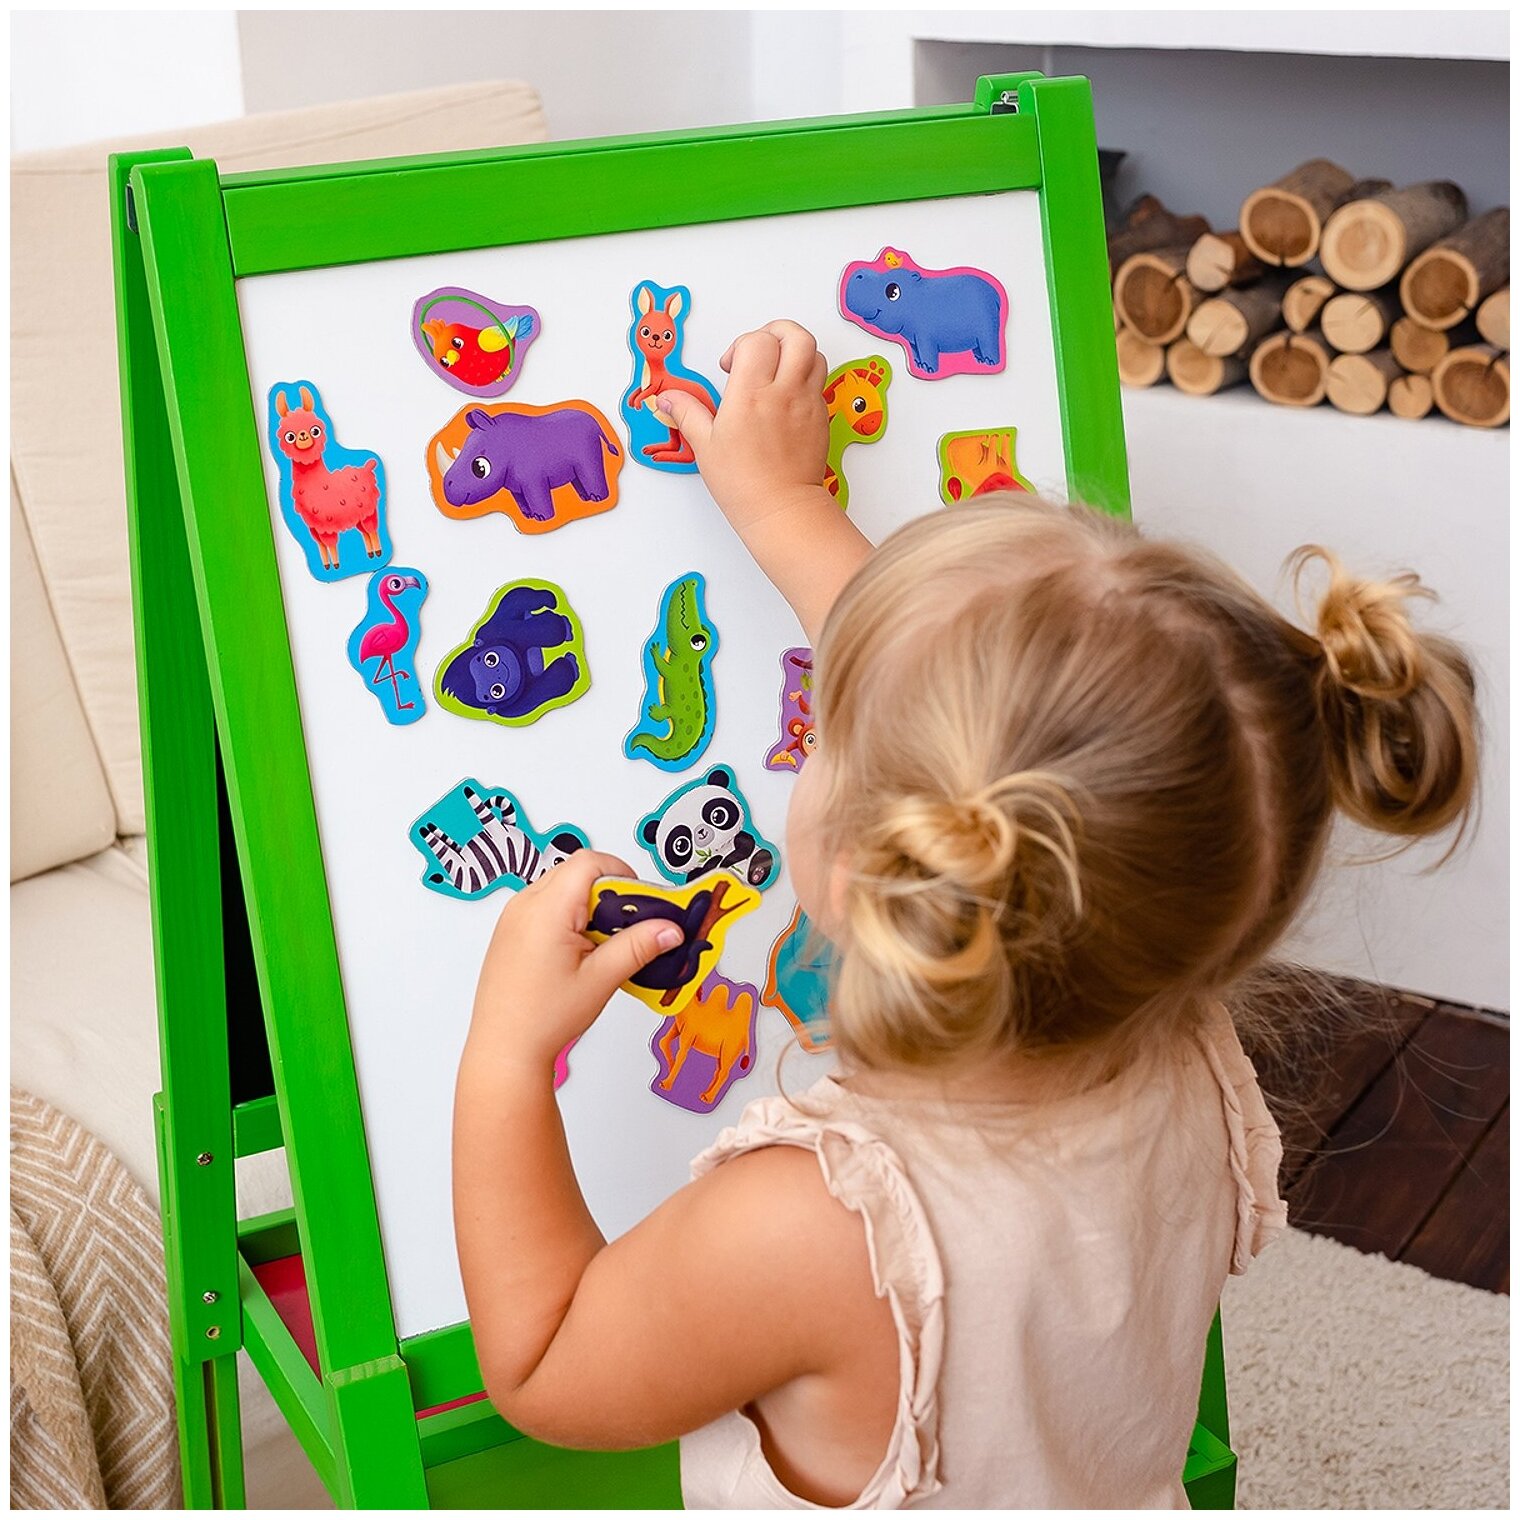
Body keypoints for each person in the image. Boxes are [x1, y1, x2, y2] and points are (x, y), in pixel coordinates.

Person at [453, 322, 1478, 1508]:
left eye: (825, 728)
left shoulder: (810, 1223)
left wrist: (506, 1058)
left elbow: (543, 1364)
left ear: (866, 864)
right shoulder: (1177, 1034)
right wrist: (782, 503)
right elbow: (984, 729)